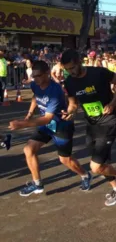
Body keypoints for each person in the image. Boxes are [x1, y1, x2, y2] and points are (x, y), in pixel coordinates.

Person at [8, 61, 91, 196]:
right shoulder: (35, 84)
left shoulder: (55, 90)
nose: (35, 79)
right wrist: (29, 114)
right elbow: (36, 97)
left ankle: (85, 175)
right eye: (34, 76)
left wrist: (22, 124)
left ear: (47, 73)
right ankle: (37, 184)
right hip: (46, 125)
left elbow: (47, 118)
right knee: (28, 149)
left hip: (61, 126)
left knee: (65, 159)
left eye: (38, 76)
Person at [60, 49, 116, 206]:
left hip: (108, 121)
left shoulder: (98, 73)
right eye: (67, 69)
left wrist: (113, 103)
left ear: (79, 62)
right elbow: (73, 104)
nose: (70, 72)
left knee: (95, 166)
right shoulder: (70, 82)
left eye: (72, 67)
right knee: (100, 163)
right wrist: (70, 113)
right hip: (91, 124)